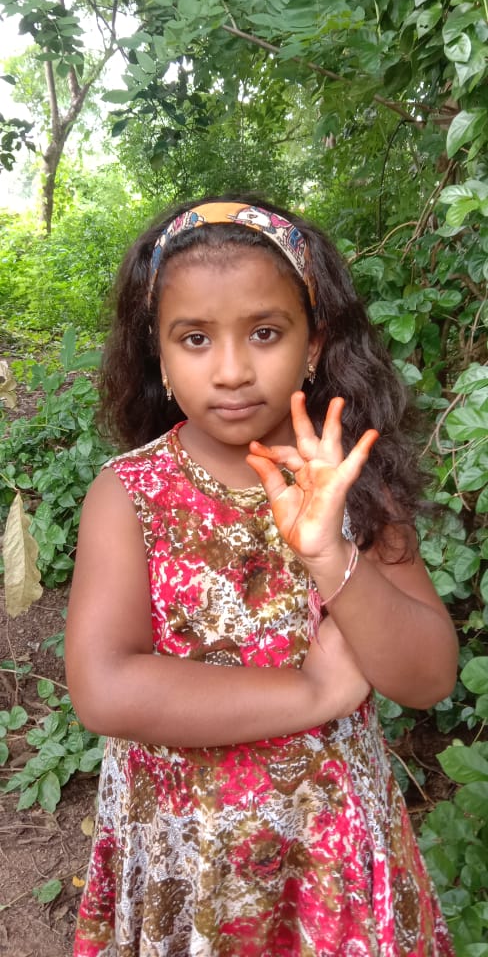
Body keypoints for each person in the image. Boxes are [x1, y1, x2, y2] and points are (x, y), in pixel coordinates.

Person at [65, 196, 458, 957]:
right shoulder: (129, 495)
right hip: (185, 856)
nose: (232, 370)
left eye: (266, 333)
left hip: (331, 854)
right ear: (159, 354)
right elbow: (106, 687)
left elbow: (428, 676)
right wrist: (312, 694)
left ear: (315, 343)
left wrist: (329, 555)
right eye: (195, 338)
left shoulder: (352, 484)